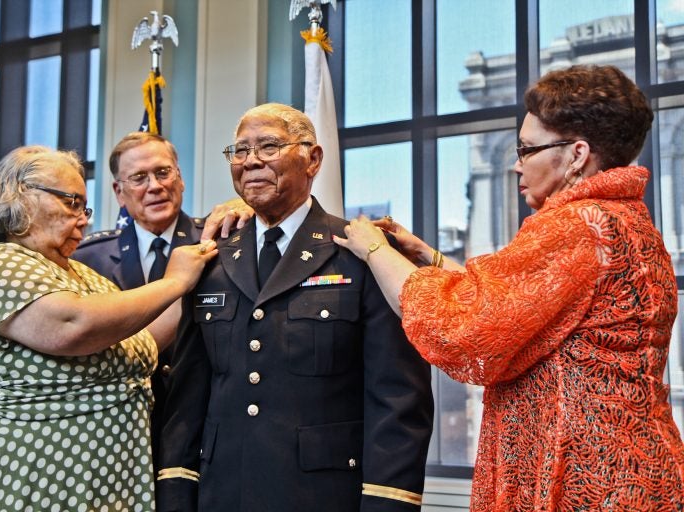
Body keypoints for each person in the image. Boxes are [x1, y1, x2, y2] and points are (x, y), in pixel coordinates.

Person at [334, 64, 684, 510]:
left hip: (584, 481)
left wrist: (372, 250)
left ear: (577, 155)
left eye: (527, 148)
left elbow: (463, 329)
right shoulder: (628, 220)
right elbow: (525, 308)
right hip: (636, 472)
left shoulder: (575, 226)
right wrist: (430, 258)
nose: (517, 163)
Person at [156, 103, 434, 512]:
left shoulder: (363, 251)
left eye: (268, 146)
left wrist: (387, 503)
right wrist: (178, 492)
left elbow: (397, 397)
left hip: (323, 496)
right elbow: (188, 396)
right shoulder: (210, 258)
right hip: (222, 492)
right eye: (239, 151)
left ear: (313, 159)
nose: (250, 161)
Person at [0, 145, 217, 511]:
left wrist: (212, 253)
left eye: (84, 206)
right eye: (71, 202)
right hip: (17, 482)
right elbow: (72, 326)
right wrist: (174, 282)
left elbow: (143, 339)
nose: (83, 219)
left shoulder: (80, 274)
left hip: (94, 487)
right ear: (22, 195)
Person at [71, 132, 252, 487]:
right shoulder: (86, 259)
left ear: (180, 178)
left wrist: (249, 206)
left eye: (163, 172)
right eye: (139, 178)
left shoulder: (222, 239)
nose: (154, 186)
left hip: (204, 430)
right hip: (117, 436)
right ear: (118, 192)